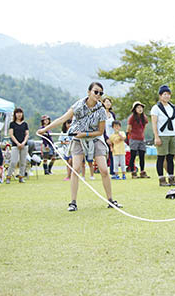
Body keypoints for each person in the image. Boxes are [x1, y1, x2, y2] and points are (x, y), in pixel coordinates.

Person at [37, 82, 123, 211]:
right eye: (96, 92)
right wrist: (45, 130)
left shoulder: (101, 110)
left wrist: (85, 134)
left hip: (95, 138)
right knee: (76, 168)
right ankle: (73, 202)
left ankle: (110, 200)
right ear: (89, 92)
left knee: (104, 170)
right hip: (78, 139)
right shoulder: (78, 105)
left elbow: (100, 132)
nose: (98, 95)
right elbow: (62, 119)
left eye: (100, 93)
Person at [151, 85, 175, 186]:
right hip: (162, 135)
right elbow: (154, 123)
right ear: (160, 96)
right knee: (161, 157)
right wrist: (156, 137)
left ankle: (171, 178)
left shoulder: (173, 108)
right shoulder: (156, 108)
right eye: (164, 94)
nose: (167, 96)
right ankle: (161, 179)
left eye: (168, 94)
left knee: (170, 157)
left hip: (172, 134)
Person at [6, 107, 29, 184]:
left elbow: (27, 134)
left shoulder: (25, 124)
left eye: (20, 113)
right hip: (15, 145)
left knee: (23, 162)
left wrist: (23, 142)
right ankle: (8, 176)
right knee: (13, 161)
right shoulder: (12, 124)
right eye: (17, 113)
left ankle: (21, 177)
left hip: (24, 145)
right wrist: (18, 143)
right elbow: (11, 135)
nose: (19, 114)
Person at [127, 101, 149, 178]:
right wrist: (132, 135)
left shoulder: (144, 117)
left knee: (142, 156)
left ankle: (142, 172)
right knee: (133, 156)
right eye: (138, 107)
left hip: (141, 139)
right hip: (133, 138)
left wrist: (141, 134)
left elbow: (144, 127)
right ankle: (133, 172)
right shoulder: (132, 117)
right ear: (134, 109)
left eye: (141, 107)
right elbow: (128, 129)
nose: (140, 109)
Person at [103, 97, 116, 176]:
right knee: (104, 154)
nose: (108, 103)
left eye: (109, 102)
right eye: (106, 102)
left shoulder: (112, 114)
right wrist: (106, 138)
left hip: (112, 136)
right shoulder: (101, 113)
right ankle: (103, 170)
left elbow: (115, 125)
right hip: (104, 136)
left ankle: (112, 170)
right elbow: (101, 127)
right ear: (103, 103)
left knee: (113, 154)